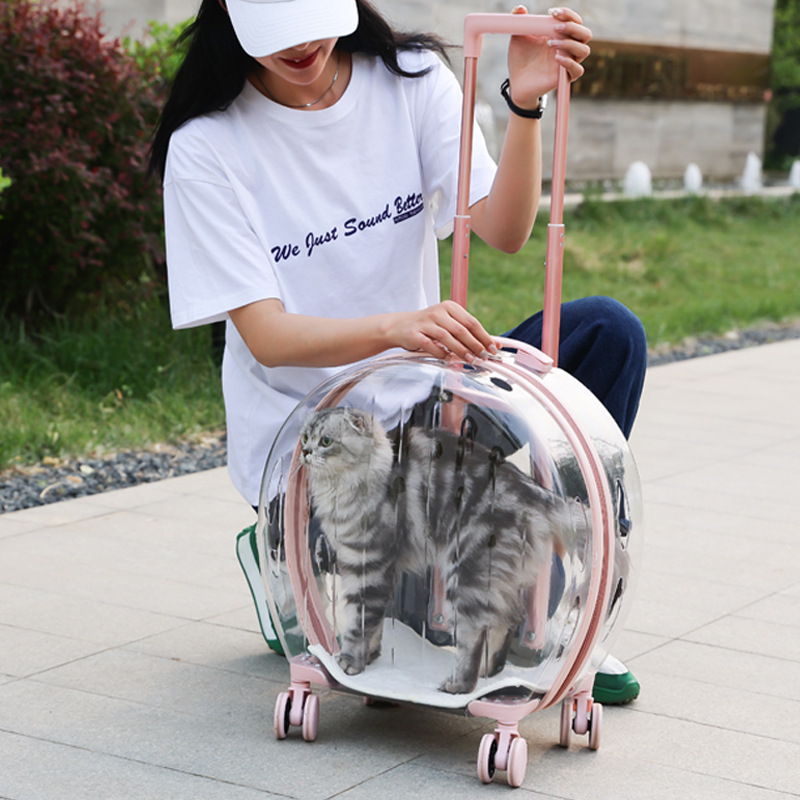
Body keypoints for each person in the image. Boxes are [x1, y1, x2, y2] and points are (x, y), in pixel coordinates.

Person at [149, 0, 645, 705]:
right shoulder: (207, 145)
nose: (303, 46)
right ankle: (289, 555)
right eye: (277, 32)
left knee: (608, 333)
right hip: (315, 439)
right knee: (384, 675)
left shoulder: (409, 79)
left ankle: (557, 601)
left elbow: (503, 230)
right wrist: (396, 329)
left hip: (426, 414)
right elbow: (268, 337)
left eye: (313, 20)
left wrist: (524, 104)